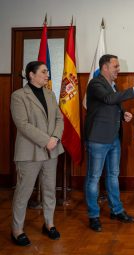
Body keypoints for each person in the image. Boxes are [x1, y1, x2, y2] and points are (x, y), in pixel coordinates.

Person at [85, 54, 134, 232]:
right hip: (97, 139)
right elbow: (108, 99)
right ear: (105, 67)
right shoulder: (96, 83)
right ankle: (93, 216)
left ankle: (116, 210)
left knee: (113, 176)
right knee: (94, 178)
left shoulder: (112, 85)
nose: (118, 69)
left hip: (114, 139)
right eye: (115, 66)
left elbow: (110, 105)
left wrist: (122, 115)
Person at [10, 61, 64, 246]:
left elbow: (59, 118)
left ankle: (49, 224)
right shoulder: (18, 96)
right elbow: (23, 124)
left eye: (47, 71)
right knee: (23, 192)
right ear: (31, 75)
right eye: (43, 71)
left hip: (52, 151)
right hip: (30, 152)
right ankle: (17, 230)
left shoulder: (50, 93)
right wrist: (46, 140)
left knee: (49, 190)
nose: (47, 74)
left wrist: (55, 137)